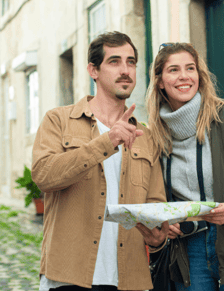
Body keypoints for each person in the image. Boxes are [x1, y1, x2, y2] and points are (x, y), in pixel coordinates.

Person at [32, 31, 169, 291]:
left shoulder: (146, 136)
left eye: (131, 62)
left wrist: (157, 238)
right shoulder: (58, 121)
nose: (125, 70)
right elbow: (44, 176)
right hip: (68, 275)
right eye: (114, 61)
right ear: (93, 70)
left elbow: (155, 204)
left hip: (129, 279)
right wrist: (107, 141)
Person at [145, 42, 224, 291]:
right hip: (187, 251)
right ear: (160, 81)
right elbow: (154, 194)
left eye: (190, 68)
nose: (184, 76)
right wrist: (164, 220)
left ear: (199, 75)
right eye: (173, 70)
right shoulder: (155, 134)